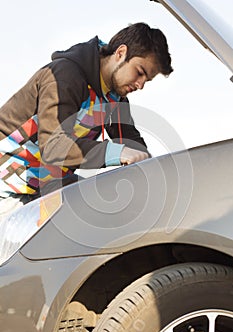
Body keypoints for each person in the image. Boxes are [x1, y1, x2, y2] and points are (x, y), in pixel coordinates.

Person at [0, 22, 173, 219]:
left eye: (146, 81)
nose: (140, 85)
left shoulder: (115, 98)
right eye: (140, 72)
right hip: (7, 189)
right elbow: (54, 147)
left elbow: (133, 145)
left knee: (102, 212)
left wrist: (156, 171)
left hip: (47, 185)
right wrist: (116, 152)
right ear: (120, 53)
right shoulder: (63, 76)